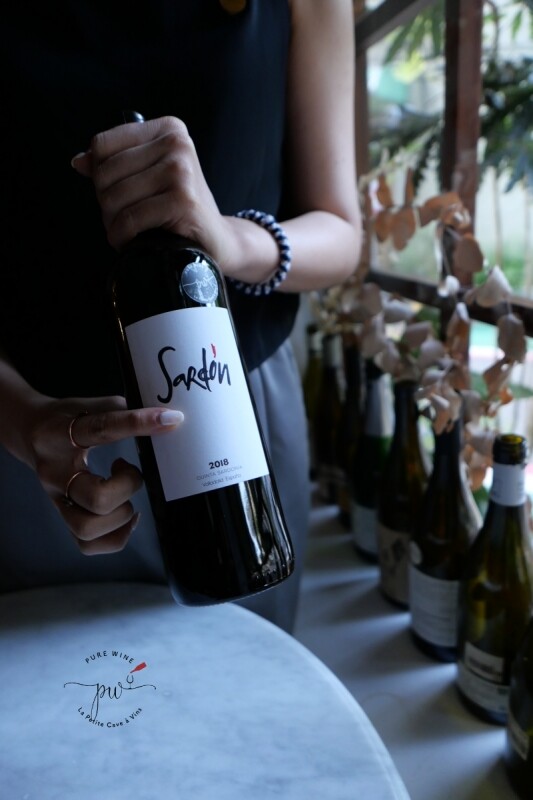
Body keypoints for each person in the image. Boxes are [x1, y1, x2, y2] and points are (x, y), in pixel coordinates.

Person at [0, 0, 362, 633]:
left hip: (237, 414)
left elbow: (341, 232)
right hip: (36, 440)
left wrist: (227, 240)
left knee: (246, 678)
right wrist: (21, 422)